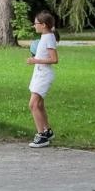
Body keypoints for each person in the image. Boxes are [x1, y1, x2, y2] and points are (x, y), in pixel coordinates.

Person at [26, 10, 59, 148]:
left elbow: (54, 59)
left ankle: (41, 137)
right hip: (39, 74)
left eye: (36, 23)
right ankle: (47, 131)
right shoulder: (46, 37)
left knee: (33, 105)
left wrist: (35, 60)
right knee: (39, 105)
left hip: (43, 75)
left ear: (44, 25)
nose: (34, 26)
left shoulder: (49, 38)